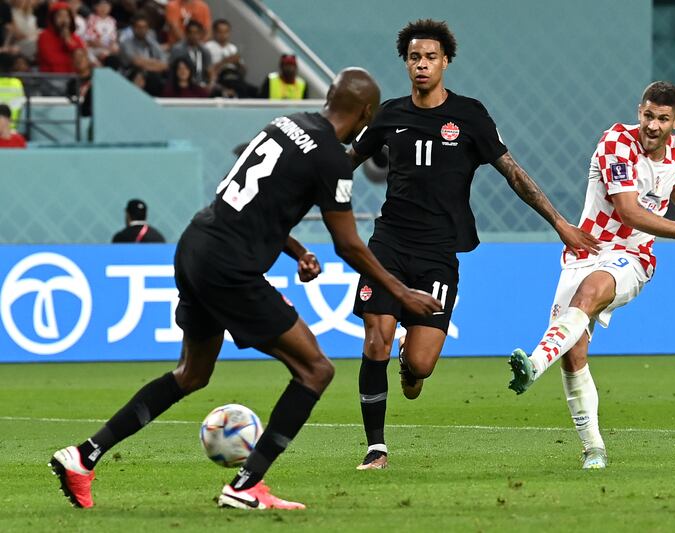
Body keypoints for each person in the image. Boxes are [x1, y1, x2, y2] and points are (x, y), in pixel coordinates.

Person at [49, 67, 442, 511]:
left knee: (191, 373)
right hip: (228, 266)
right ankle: (245, 485)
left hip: (196, 243)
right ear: (367, 113)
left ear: (329, 95)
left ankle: (84, 456)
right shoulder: (332, 157)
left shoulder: (285, 124)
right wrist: (401, 292)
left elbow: (247, 198)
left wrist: (294, 252)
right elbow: (349, 244)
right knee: (316, 369)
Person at [347, 19, 600, 470]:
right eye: (414, 58)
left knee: (420, 366)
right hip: (387, 245)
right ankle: (376, 448)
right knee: (375, 340)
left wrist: (560, 223)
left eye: (430, 57)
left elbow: (514, 175)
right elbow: (345, 162)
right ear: (406, 63)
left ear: (445, 62)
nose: (421, 65)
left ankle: (410, 363)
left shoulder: (469, 116)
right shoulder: (389, 115)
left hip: (438, 254)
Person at [506, 81, 675, 470]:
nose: (653, 126)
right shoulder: (617, 143)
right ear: (639, 111)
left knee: (589, 294)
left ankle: (533, 364)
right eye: (648, 115)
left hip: (633, 257)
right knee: (574, 355)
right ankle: (594, 449)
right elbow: (630, 211)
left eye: (663, 119)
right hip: (587, 249)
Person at [119, 12, 167, 96]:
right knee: (145, 74)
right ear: (133, 28)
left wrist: (148, 66)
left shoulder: (152, 43)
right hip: (130, 74)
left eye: (145, 27)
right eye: (139, 27)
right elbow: (137, 62)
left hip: (152, 73)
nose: (142, 30)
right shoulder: (126, 43)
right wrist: (155, 62)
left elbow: (165, 64)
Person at [36, 1, 85, 73]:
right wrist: (71, 60)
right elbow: (51, 59)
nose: (64, 20)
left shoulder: (75, 38)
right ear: (53, 19)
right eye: (60, 16)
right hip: (51, 78)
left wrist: (68, 41)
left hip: (73, 78)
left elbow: (81, 59)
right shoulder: (44, 36)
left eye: (66, 16)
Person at [168, 19, 210, 85]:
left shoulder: (204, 50)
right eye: (191, 32)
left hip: (201, 83)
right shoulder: (178, 49)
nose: (194, 36)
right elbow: (172, 70)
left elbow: (209, 69)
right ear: (186, 34)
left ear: (201, 34)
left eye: (196, 33)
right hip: (183, 84)